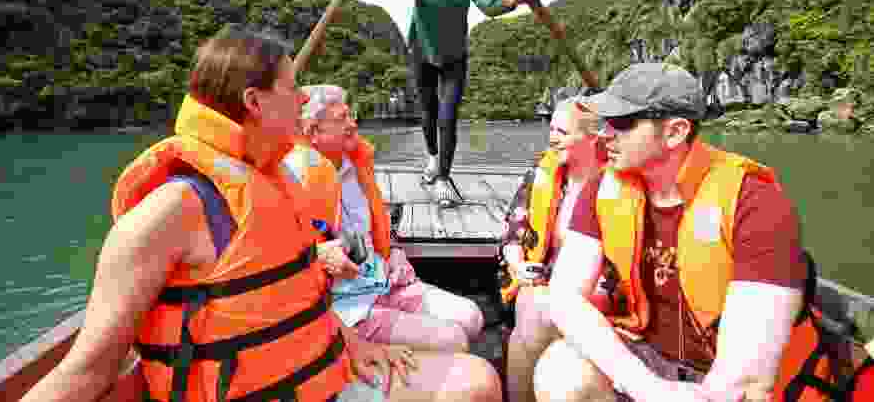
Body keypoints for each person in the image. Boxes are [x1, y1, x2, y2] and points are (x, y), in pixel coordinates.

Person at [19, 28, 502, 402]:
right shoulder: (173, 209)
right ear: (254, 101)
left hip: (317, 376)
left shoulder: (274, 183)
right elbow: (86, 370)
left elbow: (289, 298)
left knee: (475, 379)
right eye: (292, 89)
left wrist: (352, 346)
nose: (301, 101)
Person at [531, 62, 824, 402]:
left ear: (675, 132)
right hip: (650, 359)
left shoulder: (754, 202)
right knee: (560, 370)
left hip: (727, 381)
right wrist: (645, 386)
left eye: (622, 123)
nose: (605, 134)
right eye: (604, 122)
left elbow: (745, 378)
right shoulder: (604, 186)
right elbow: (565, 298)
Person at [284, 84, 484, 353]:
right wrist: (319, 255)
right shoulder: (289, 179)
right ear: (312, 132)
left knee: (471, 317)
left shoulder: (354, 165)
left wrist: (394, 255)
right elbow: (281, 256)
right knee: (453, 339)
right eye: (341, 118)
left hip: (382, 281)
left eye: (350, 115)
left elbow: (375, 231)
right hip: (346, 305)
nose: (353, 124)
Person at [362, 0, 535, 207]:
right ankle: (432, 158)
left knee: (448, 118)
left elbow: (490, 5)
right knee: (427, 114)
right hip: (422, 52)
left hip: (454, 56)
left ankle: (443, 177)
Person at [497, 96, 609, 402]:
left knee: (535, 312)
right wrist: (518, 265)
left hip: (597, 288)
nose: (551, 137)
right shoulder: (543, 170)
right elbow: (513, 231)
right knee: (531, 307)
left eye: (562, 131)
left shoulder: (616, 184)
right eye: (551, 128)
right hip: (539, 278)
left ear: (591, 138)